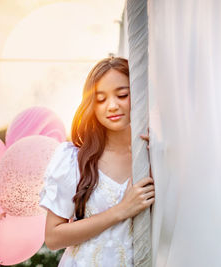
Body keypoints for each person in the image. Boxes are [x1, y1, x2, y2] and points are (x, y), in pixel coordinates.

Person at [39, 57, 154, 266]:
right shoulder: (73, 159)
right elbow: (53, 237)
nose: (112, 106)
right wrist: (121, 210)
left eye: (122, 95)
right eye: (101, 99)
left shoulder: (154, 154)